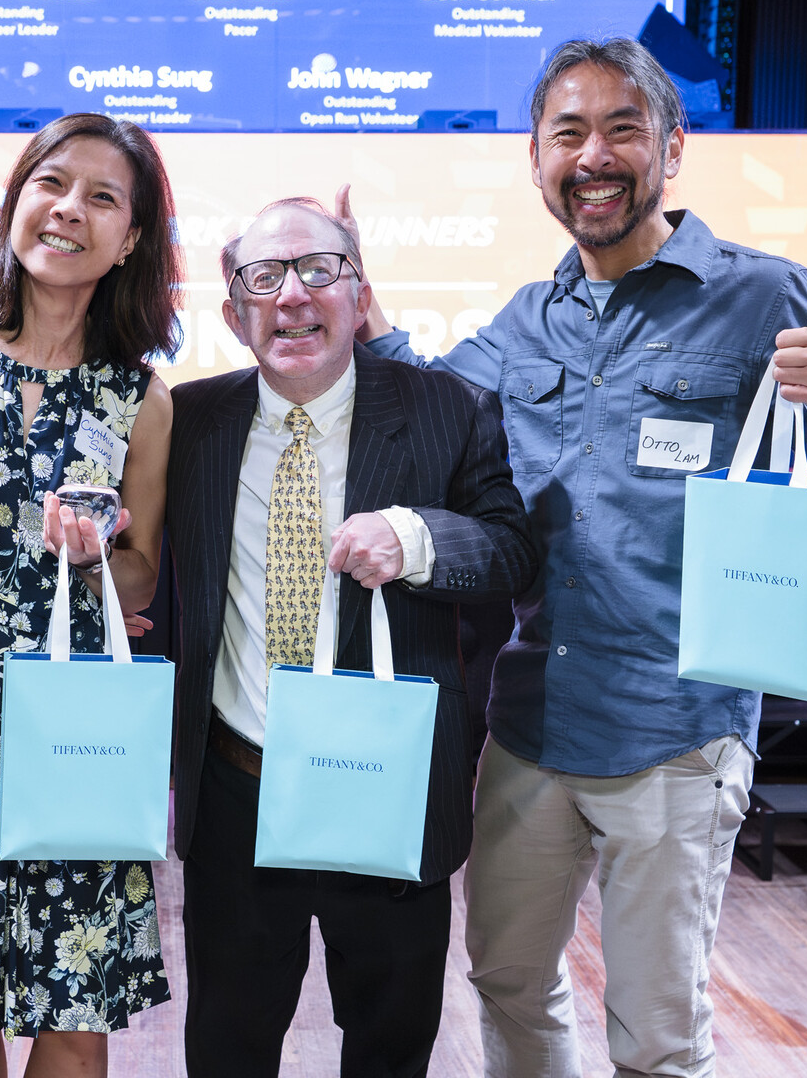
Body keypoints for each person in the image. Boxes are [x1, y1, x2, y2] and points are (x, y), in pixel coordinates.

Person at [346, 37, 807, 1078]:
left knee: (656, 1037)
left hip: (677, 728)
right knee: (508, 978)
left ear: (671, 146)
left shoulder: (757, 293)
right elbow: (422, 402)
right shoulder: (525, 323)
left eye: (620, 128)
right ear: (534, 160)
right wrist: (357, 298)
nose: (592, 155)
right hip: (533, 722)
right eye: (567, 132)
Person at [165, 197, 538, 1078]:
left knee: (390, 1044)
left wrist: (415, 540)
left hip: (389, 783)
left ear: (358, 290)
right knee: (226, 1044)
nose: (292, 295)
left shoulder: (446, 407)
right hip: (236, 789)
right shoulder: (189, 423)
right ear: (233, 312)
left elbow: (514, 548)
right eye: (264, 277)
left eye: (317, 269)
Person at [0, 112, 180, 1077]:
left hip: (72, 727)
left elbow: (141, 576)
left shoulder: (140, 398)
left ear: (131, 239)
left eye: (104, 197)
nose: (70, 210)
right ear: (15, 202)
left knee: (71, 996)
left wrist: (101, 556)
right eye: (51, 184)